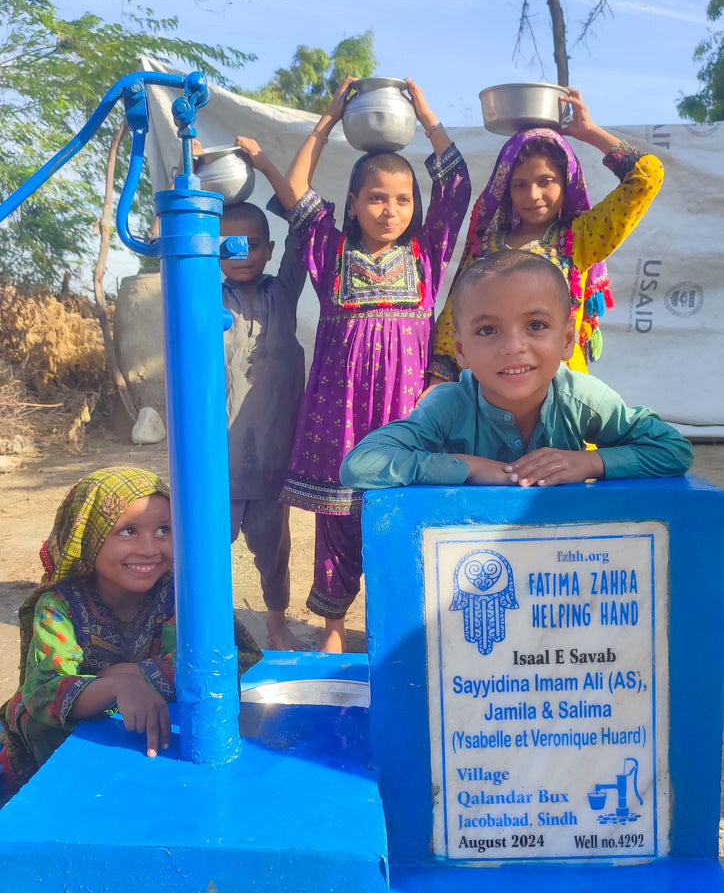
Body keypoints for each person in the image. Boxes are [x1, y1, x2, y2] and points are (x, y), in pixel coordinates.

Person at [275, 77, 471, 652]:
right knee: (337, 516)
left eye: (403, 199)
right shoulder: (330, 251)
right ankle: (333, 628)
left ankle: (392, 622)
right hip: (340, 411)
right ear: (354, 204)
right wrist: (327, 121)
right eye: (378, 198)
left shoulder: (426, 253)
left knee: (400, 511)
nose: (391, 210)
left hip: (405, 409)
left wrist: (427, 112)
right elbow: (295, 187)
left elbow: (456, 186)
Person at [340, 250, 693, 491]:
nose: (513, 346)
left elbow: (673, 450)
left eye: (536, 325)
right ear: (460, 350)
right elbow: (361, 465)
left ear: (568, 338)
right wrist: (472, 468)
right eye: (488, 330)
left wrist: (588, 463)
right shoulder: (448, 405)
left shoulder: (582, 399)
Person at [428, 88, 664, 383]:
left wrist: (589, 132)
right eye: (520, 185)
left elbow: (647, 176)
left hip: (560, 393)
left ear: (567, 182)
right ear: (505, 189)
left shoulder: (581, 239)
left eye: (546, 181)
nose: (533, 195)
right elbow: (456, 318)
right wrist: (438, 384)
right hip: (492, 391)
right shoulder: (485, 249)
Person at [0, 467, 176, 797]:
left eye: (164, 529)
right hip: (44, 758)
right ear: (89, 538)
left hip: (133, 747)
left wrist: (135, 674)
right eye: (128, 531)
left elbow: (215, 659)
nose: (150, 548)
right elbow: (43, 692)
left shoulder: (176, 596)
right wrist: (115, 686)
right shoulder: (60, 606)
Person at [214, 136, 309, 651]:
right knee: (209, 552)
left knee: (273, 550)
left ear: (268, 251)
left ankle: (275, 620)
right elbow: (172, 244)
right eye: (228, 244)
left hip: (274, 460)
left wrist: (265, 163)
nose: (242, 253)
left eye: (253, 243)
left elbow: (303, 224)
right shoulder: (206, 295)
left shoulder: (283, 292)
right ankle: (208, 628)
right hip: (220, 464)